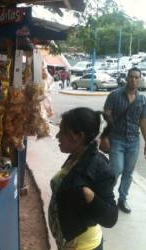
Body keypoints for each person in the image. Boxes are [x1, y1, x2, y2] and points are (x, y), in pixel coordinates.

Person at [49, 107, 118, 250]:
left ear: (79, 136)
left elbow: (111, 218)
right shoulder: (76, 156)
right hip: (68, 243)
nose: (57, 136)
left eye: (62, 131)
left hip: (84, 246)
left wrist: (89, 194)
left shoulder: (98, 166)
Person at [103, 67, 146, 213]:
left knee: (128, 172)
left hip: (134, 141)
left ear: (140, 80)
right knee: (116, 169)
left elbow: (143, 122)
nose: (133, 80)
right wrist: (104, 137)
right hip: (117, 139)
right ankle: (106, 194)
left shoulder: (142, 99)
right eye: (131, 77)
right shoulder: (114, 95)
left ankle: (122, 199)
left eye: (136, 77)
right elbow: (106, 118)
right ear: (127, 78)